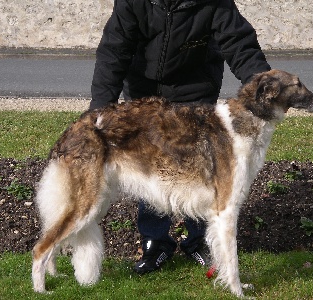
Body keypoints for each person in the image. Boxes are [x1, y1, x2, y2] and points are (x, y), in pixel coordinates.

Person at [90, 0, 271, 274]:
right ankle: (155, 242)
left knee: (200, 167)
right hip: (144, 91)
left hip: (195, 89)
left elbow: (240, 45)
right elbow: (114, 51)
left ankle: (198, 240)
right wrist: (99, 113)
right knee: (151, 168)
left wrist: (264, 86)